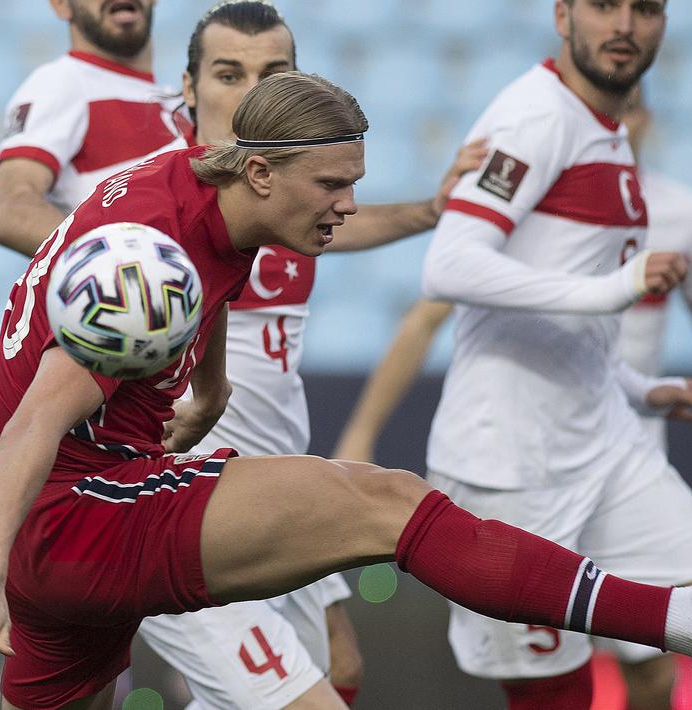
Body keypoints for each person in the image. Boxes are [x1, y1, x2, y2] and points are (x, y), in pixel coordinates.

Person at [0, 72, 692, 709]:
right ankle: (690, 619)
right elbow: (39, 413)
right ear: (261, 171)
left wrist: (212, 387)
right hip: (82, 515)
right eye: (332, 184)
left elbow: (210, 279)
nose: (345, 206)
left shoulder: (197, 189)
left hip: (72, 521)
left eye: (354, 183)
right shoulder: (150, 252)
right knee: (383, 502)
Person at [410, 1, 692, 708]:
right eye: (602, 5)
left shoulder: (606, 133)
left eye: (643, 8)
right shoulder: (535, 117)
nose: (623, 24)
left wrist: (639, 388)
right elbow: (450, 266)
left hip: (605, 447)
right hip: (508, 467)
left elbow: (555, 305)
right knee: (557, 696)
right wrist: (616, 287)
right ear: (562, 14)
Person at [135, 4, 485, 709]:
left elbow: (340, 222)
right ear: (188, 85)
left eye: (273, 73)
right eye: (229, 74)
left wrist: (427, 210)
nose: (251, 92)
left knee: (335, 662)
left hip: (276, 464)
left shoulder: (290, 195)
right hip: (193, 483)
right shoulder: (164, 195)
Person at [0, 0, 190, 257]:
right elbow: (6, 207)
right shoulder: (62, 82)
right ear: (61, 5)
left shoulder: (175, 102)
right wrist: (114, 262)